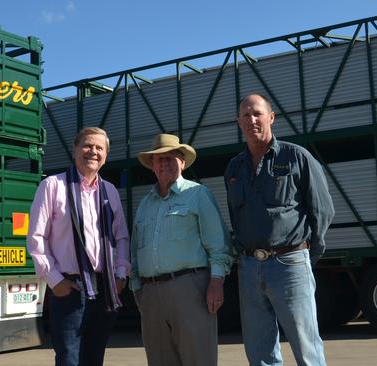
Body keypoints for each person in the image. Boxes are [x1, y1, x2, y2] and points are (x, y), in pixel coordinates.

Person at [225, 94, 334, 366]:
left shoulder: (296, 156)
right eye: (246, 115)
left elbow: (322, 209)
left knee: (306, 347)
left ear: (271, 117)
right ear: (239, 122)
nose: (252, 120)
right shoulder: (234, 168)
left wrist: (306, 254)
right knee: (259, 351)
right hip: (249, 267)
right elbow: (235, 217)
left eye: (257, 113)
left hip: (290, 263)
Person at [27, 127, 130, 366]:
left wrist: (121, 275)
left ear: (105, 155)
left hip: (105, 288)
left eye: (99, 148)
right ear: (74, 150)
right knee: (69, 360)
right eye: (87, 145)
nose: (93, 151)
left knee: (94, 358)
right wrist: (55, 281)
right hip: (70, 289)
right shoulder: (52, 186)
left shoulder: (110, 191)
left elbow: (121, 237)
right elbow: (36, 237)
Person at [130, 134, 233, 366]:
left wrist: (216, 282)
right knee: (159, 360)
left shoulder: (197, 194)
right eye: (159, 159)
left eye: (171, 157)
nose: (164, 163)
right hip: (151, 293)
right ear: (152, 165)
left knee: (198, 359)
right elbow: (135, 250)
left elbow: (219, 244)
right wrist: (138, 289)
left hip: (190, 289)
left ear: (183, 162)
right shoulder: (146, 203)